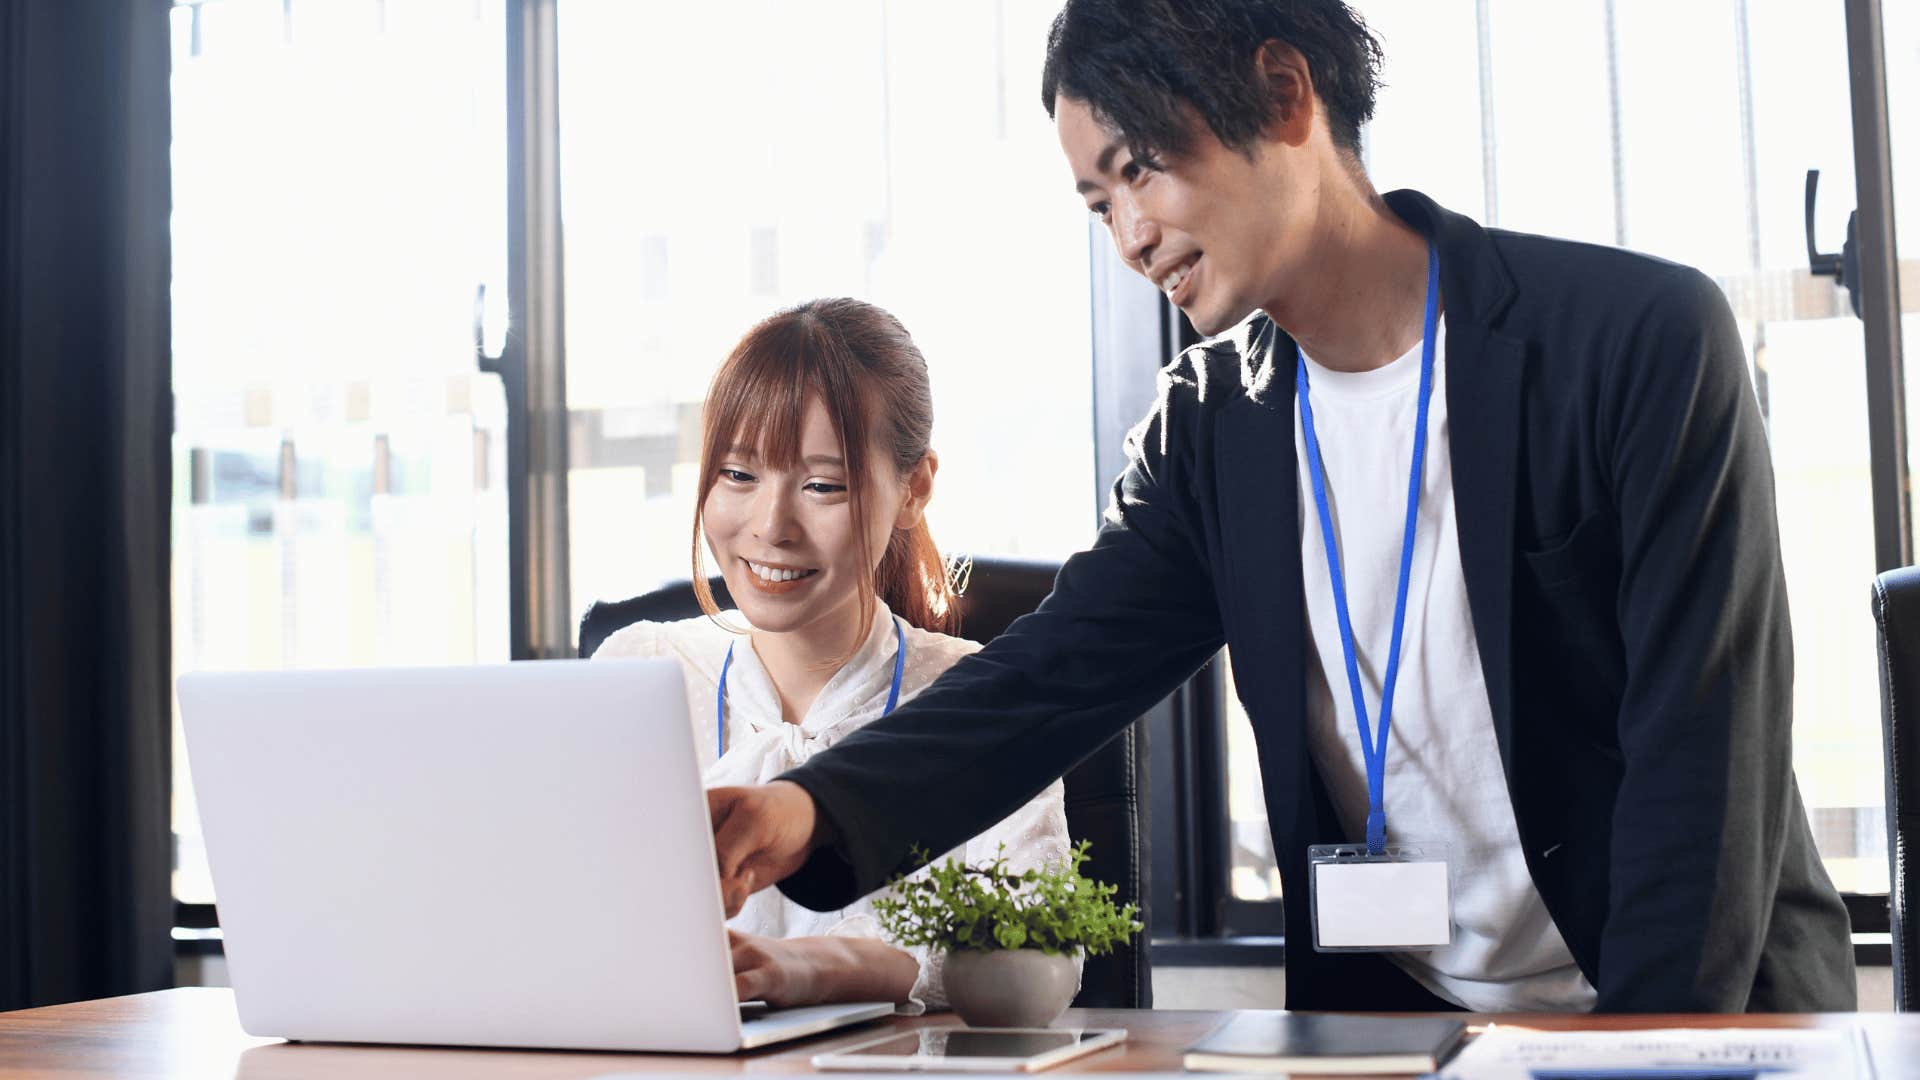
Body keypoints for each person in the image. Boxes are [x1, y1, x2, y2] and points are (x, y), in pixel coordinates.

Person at [704, 0, 1856, 1013]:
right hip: (1400, 1022)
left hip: (1679, 1008)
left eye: (1142, 166)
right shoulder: (1213, 427)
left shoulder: (1638, 343)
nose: (1131, 236)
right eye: (1097, 204)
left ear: (1283, 92)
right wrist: (804, 812)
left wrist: (1647, 1060)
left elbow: (1699, 771)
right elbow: (1048, 677)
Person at [593, 298, 1076, 1013]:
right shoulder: (642, 670)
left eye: (822, 485)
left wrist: (817, 967)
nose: (770, 527)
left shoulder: (976, 695)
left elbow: (1041, 950)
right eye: (738, 475)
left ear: (913, 489)